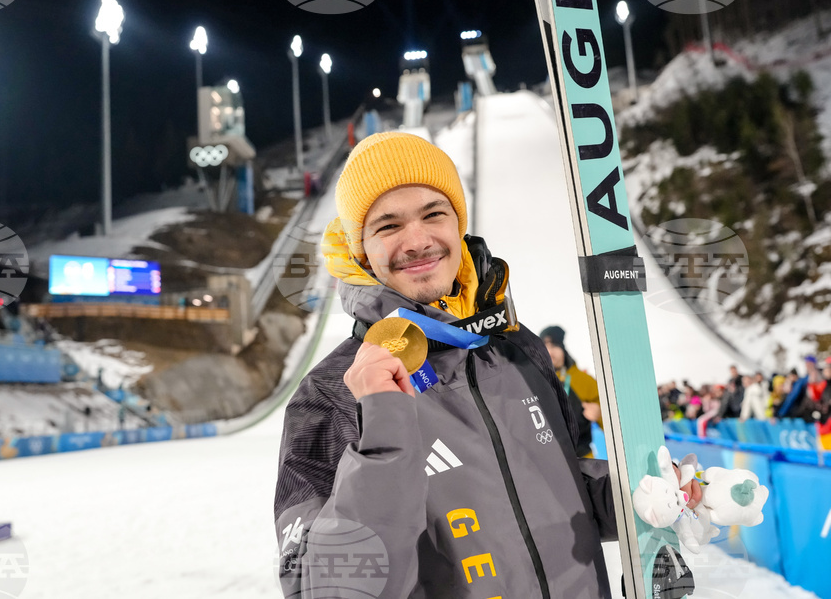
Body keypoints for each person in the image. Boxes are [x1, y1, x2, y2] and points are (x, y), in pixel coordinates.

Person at [273, 132, 699, 599]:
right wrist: (384, 435)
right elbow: (322, 589)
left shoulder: (518, 348)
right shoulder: (330, 395)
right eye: (388, 225)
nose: (417, 240)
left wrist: (636, 496)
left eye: (434, 213)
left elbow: (557, 485)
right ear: (360, 250)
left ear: (458, 224)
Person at [540, 325, 602, 457]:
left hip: (583, 458)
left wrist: (599, 411)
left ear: (563, 348)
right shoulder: (534, 379)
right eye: (545, 347)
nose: (550, 352)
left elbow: (612, 417)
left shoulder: (581, 379)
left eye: (554, 346)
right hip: (550, 458)